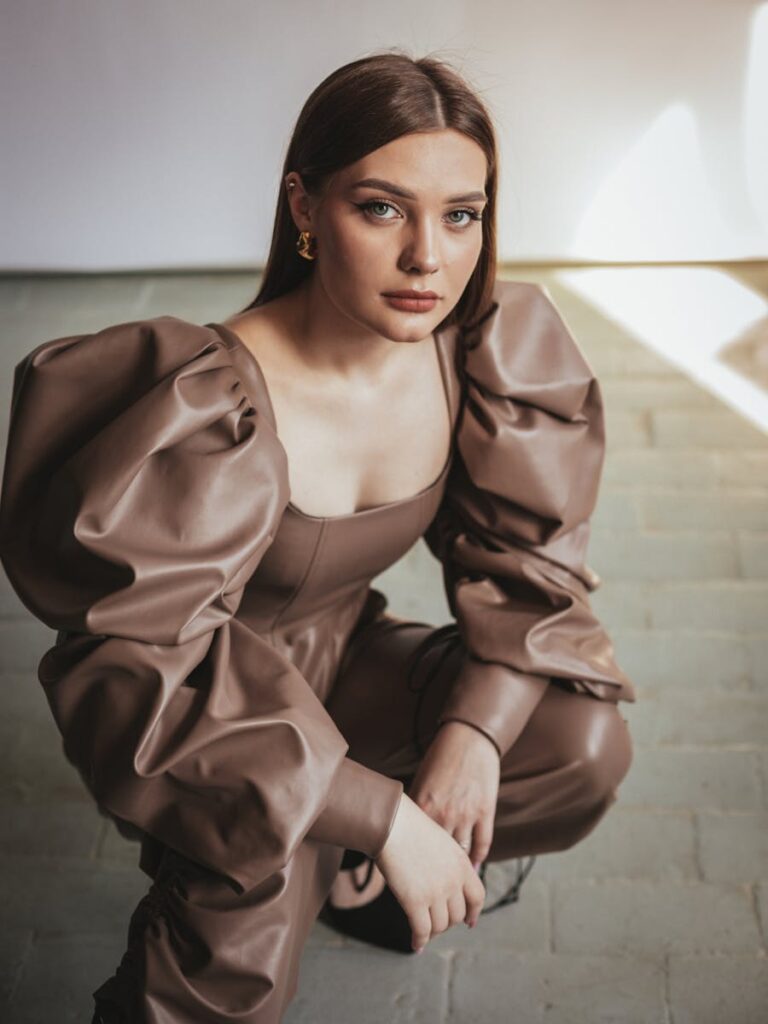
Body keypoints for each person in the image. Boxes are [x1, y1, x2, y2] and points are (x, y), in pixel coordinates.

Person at [0, 50, 635, 1024]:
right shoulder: (206, 399)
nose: (430, 257)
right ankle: (273, 855)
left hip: (343, 661)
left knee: (578, 743)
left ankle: (341, 866)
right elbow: (143, 677)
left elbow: (529, 568)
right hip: (211, 721)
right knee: (236, 989)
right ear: (304, 206)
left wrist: (469, 734)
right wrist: (381, 814)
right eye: (382, 209)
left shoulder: (479, 350)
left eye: (460, 214)